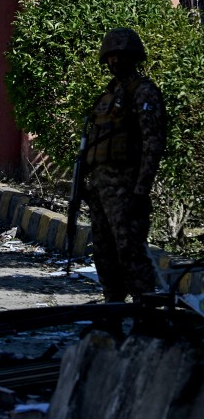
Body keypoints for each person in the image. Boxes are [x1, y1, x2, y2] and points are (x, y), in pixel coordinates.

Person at [82, 28, 166, 303]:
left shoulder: (143, 92)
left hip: (127, 189)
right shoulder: (107, 95)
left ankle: (145, 317)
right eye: (111, 56)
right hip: (100, 190)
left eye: (121, 55)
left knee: (130, 253)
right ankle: (113, 312)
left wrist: (141, 191)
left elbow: (152, 145)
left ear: (133, 57)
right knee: (104, 254)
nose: (115, 61)